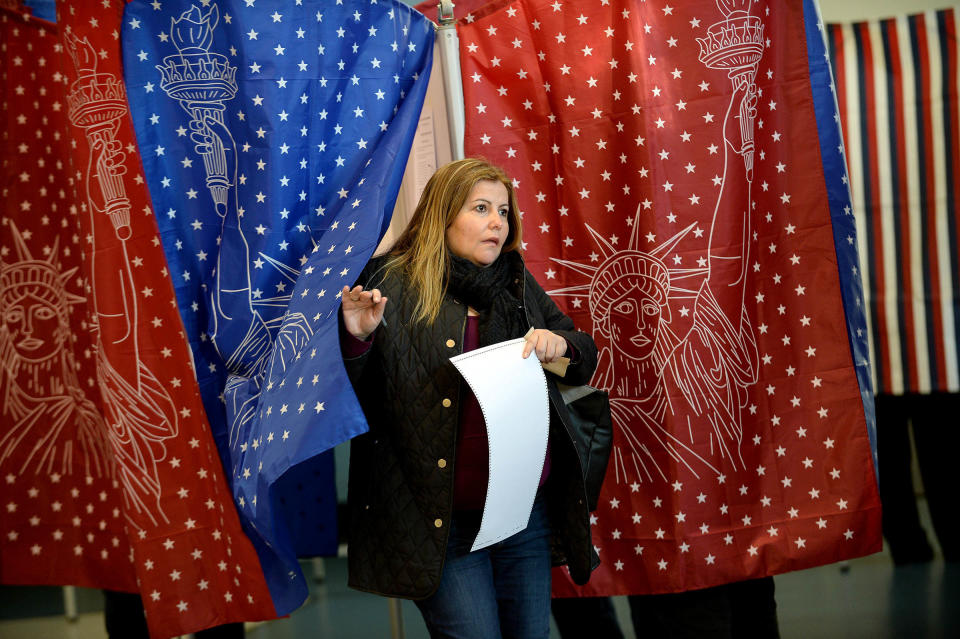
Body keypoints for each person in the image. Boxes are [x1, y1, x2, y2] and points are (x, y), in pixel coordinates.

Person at [339, 158, 602, 638]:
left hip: (524, 512)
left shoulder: (514, 281)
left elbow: (582, 357)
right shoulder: (389, 283)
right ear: (443, 215)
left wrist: (560, 346)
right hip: (441, 525)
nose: (497, 223)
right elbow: (349, 404)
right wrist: (356, 339)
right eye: (481, 208)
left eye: (503, 211)